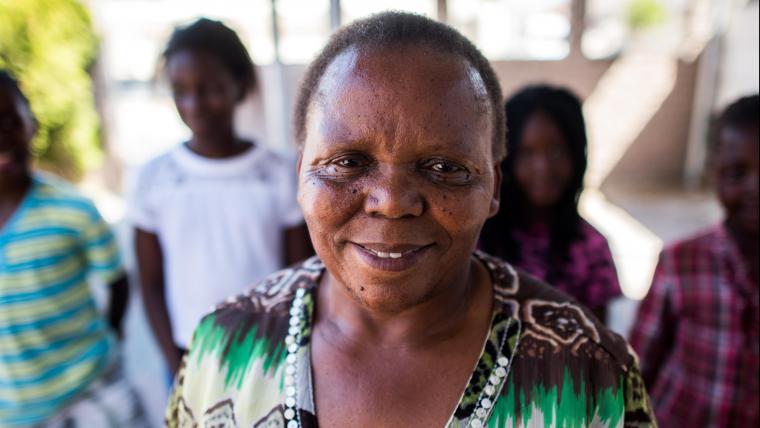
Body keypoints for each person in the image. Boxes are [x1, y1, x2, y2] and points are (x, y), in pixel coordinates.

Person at [166, 13, 656, 427]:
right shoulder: (221, 351)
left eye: (445, 168)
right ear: (300, 176)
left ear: (494, 189)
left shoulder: (590, 376)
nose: (392, 202)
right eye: (347, 162)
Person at [130, 18, 312, 378]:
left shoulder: (279, 172)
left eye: (210, 87)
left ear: (239, 85)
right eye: (180, 90)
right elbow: (150, 285)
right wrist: (175, 364)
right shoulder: (154, 178)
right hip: (190, 355)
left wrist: (292, 352)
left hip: (268, 355)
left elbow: (300, 276)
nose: (194, 103)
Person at [0, 70, 147, 427]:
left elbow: (118, 282)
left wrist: (112, 333)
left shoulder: (73, 210)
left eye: (10, 121)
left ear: (32, 124)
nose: (2, 136)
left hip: (92, 392)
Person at [629, 94, 759, 427]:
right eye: (736, 172)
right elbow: (638, 368)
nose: (755, 188)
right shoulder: (680, 263)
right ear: (713, 173)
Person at [479, 85, 621, 322]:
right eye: (527, 153)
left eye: (556, 151)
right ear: (505, 159)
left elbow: (597, 347)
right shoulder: (477, 240)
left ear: (577, 155)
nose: (542, 168)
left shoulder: (591, 250)